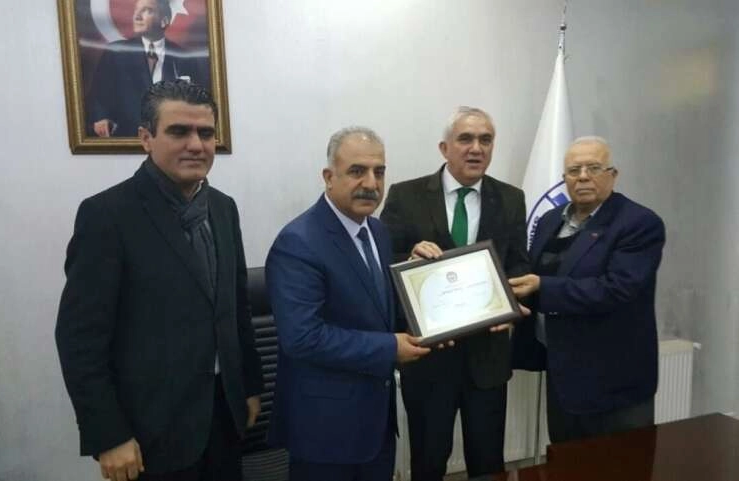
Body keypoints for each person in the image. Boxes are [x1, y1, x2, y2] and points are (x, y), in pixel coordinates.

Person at [56, 80, 262, 481]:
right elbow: (80, 339)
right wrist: (108, 435)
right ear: (146, 138)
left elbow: (236, 308)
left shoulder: (223, 208)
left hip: (224, 417)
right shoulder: (107, 216)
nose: (196, 145)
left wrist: (250, 385)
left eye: (206, 133)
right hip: (150, 434)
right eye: (179, 131)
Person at [265, 127, 430, 481]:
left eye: (379, 172)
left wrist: (427, 308)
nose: (371, 183)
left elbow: (374, 308)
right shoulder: (298, 242)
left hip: (376, 423)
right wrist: (390, 348)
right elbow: (303, 338)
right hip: (325, 432)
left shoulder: (377, 231)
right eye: (357, 171)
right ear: (329, 177)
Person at [380, 107, 530, 479]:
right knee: (428, 463)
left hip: (487, 359)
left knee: (488, 464)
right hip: (428, 360)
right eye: (466, 139)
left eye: (486, 140)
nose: (476, 148)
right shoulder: (405, 195)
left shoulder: (511, 198)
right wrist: (409, 258)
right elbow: (382, 263)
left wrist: (512, 305)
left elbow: (518, 265)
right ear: (444, 147)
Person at [509, 136, 666, 444]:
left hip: (614, 382)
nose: (582, 177)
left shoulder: (639, 223)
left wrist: (542, 286)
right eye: (574, 170)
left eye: (593, 168)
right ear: (564, 178)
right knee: (567, 462)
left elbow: (616, 288)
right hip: (562, 373)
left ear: (613, 174)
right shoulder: (549, 220)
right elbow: (531, 273)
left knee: (621, 465)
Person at [87, 0, 207, 137]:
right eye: (136, 10)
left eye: (147, 10)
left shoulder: (183, 57)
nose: (137, 16)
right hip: (126, 138)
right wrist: (100, 118)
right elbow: (99, 97)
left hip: (171, 139)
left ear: (164, 21)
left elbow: (196, 103)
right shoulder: (116, 52)